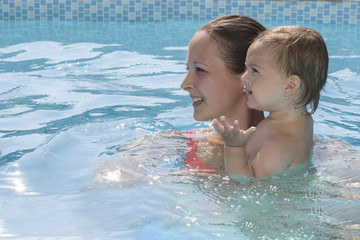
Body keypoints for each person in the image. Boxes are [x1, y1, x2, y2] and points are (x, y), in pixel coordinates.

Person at [212, 26, 329, 177]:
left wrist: (233, 147)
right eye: (246, 68)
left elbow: (244, 183)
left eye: (254, 70)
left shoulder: (278, 144)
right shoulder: (300, 119)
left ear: (290, 85)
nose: (243, 77)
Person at [180, 15, 266, 170]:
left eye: (200, 69)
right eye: (188, 69)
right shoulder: (177, 145)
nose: (184, 84)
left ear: (247, 78)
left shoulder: (302, 151)